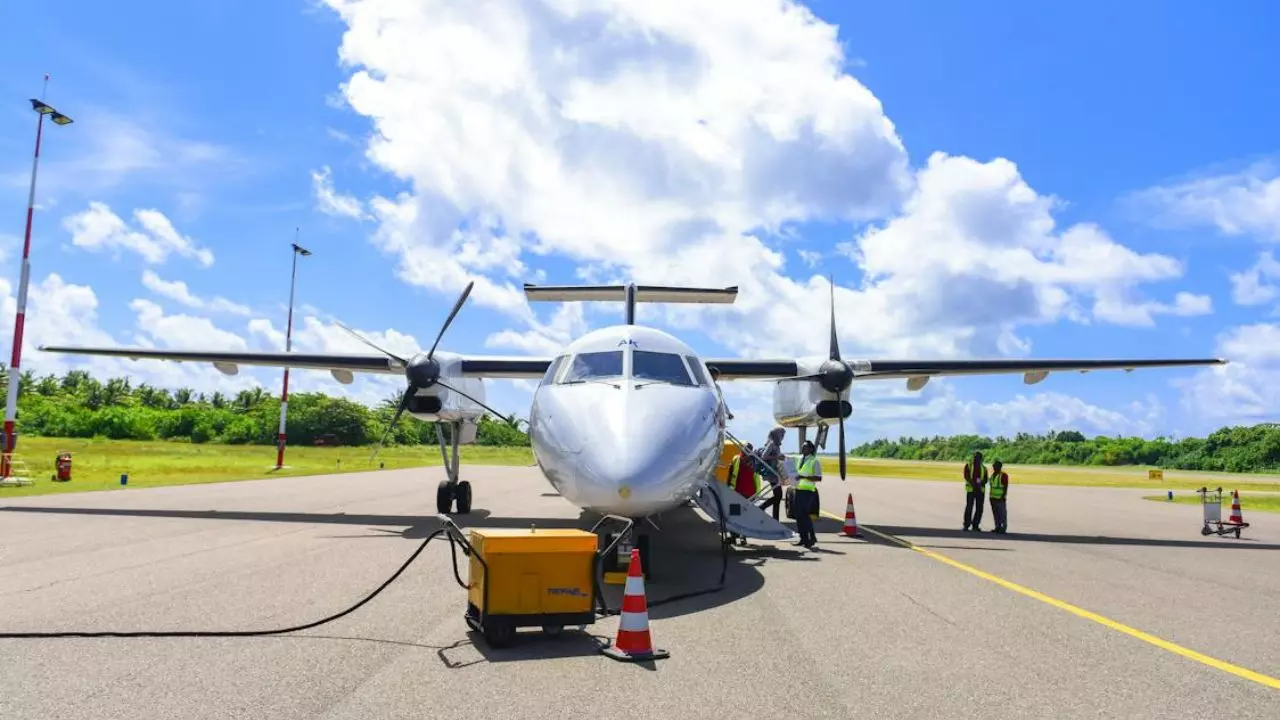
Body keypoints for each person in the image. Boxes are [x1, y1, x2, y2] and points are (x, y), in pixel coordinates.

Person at [792, 440, 822, 549]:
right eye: (802, 447)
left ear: (810, 449)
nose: (802, 449)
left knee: (804, 515)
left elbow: (819, 478)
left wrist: (803, 477)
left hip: (808, 491)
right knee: (798, 515)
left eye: (804, 447)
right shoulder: (800, 459)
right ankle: (803, 539)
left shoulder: (814, 461)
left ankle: (812, 537)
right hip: (798, 489)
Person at [727, 443, 757, 545]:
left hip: (749, 492)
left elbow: (757, 476)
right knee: (734, 515)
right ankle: (733, 536)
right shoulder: (736, 458)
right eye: (746, 448)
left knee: (745, 516)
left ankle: (743, 537)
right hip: (737, 491)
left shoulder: (755, 460)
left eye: (750, 449)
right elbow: (730, 473)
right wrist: (728, 488)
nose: (747, 450)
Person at [756, 427, 786, 520]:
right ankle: (762, 507)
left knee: (777, 497)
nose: (783, 436)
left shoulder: (776, 444)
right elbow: (764, 456)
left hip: (775, 472)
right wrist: (777, 456)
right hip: (772, 473)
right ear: (777, 434)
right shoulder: (772, 444)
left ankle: (775, 518)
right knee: (778, 496)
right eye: (782, 434)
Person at [963, 451, 988, 532]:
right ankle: (966, 525)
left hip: (980, 491)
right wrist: (973, 484)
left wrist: (980, 484)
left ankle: (975, 525)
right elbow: (966, 476)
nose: (976, 459)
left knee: (979, 508)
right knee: (969, 507)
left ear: (981, 459)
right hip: (971, 490)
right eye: (975, 457)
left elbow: (986, 479)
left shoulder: (984, 468)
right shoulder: (968, 466)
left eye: (978, 457)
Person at [989, 459, 1009, 533]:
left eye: (995, 466)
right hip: (992, 498)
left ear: (999, 467)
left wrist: (1003, 496)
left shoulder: (1003, 475)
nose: (994, 467)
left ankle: (1003, 527)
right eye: (993, 466)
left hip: (1000, 498)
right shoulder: (993, 475)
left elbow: (1005, 486)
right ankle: (997, 526)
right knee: (996, 514)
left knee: (1002, 514)